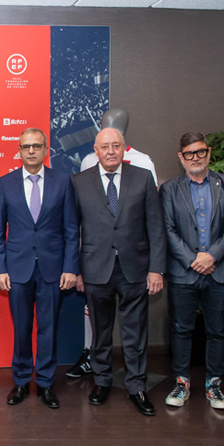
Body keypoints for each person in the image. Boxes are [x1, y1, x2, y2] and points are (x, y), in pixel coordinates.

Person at [71, 127, 166, 416]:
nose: (111, 151)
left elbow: (156, 227)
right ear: (95, 151)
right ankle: (101, 381)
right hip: (94, 269)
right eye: (105, 146)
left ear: (124, 148)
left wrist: (156, 269)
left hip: (134, 268)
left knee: (135, 332)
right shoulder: (78, 182)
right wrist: (75, 271)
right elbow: (71, 230)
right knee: (100, 332)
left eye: (116, 145)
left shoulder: (143, 178)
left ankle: (137, 385)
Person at [0, 128, 79, 408]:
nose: (31, 151)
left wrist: (70, 267)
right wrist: (0, 268)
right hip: (17, 269)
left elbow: (70, 230)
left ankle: (44, 383)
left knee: (48, 328)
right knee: (21, 328)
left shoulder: (62, 182)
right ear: (18, 151)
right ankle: (20, 381)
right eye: (26, 146)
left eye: (36, 146)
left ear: (46, 150)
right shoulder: (4, 184)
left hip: (53, 269)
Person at [159, 132, 224, 409]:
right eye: (189, 153)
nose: (195, 158)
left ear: (209, 152)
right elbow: (166, 230)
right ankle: (181, 384)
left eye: (200, 152)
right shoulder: (169, 189)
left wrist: (212, 255)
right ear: (181, 157)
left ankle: (214, 385)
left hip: (220, 270)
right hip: (184, 272)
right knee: (181, 329)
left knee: (218, 330)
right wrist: (194, 259)